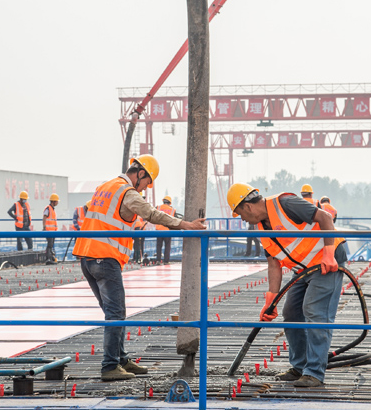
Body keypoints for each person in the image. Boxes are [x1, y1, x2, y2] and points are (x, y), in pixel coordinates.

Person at [73, 154, 206, 381]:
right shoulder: (127, 191)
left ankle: (121, 359)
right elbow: (151, 214)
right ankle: (110, 366)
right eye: (146, 183)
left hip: (87, 257)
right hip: (104, 258)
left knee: (113, 312)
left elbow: (93, 214)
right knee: (116, 313)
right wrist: (185, 225)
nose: (145, 188)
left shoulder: (106, 186)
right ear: (141, 174)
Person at [227, 182, 347, 388]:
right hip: (303, 269)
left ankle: (314, 373)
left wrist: (328, 253)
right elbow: (273, 263)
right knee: (291, 313)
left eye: (240, 214)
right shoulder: (261, 227)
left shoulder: (285, 203)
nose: (242, 219)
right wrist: (271, 300)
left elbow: (325, 217)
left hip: (327, 262)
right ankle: (300, 367)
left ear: (247, 207)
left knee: (314, 311)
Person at [154, 196, 175, 264]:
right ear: (170, 203)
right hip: (167, 230)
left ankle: (158, 260)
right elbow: (175, 220)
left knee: (159, 245)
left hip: (159, 229)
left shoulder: (158, 207)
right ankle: (166, 261)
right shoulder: (172, 210)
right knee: (167, 246)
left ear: (163, 201)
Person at [43, 193, 59, 264]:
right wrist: (44, 227)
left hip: (53, 231)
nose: (57, 202)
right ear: (53, 201)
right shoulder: (48, 208)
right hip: (49, 231)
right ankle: (48, 259)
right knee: (49, 245)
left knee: (51, 245)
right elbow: (44, 217)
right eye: (56, 201)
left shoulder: (52, 209)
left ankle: (51, 258)